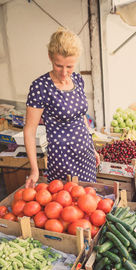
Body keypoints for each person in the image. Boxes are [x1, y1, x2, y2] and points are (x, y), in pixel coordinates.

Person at [24, 27, 100, 188]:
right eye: (59, 66)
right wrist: (34, 169)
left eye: (70, 67)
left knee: (89, 204)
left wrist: (91, 147)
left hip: (85, 154)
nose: (64, 72)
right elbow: (29, 130)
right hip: (62, 159)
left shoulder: (78, 80)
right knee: (67, 206)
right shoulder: (40, 87)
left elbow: (81, 118)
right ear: (50, 57)